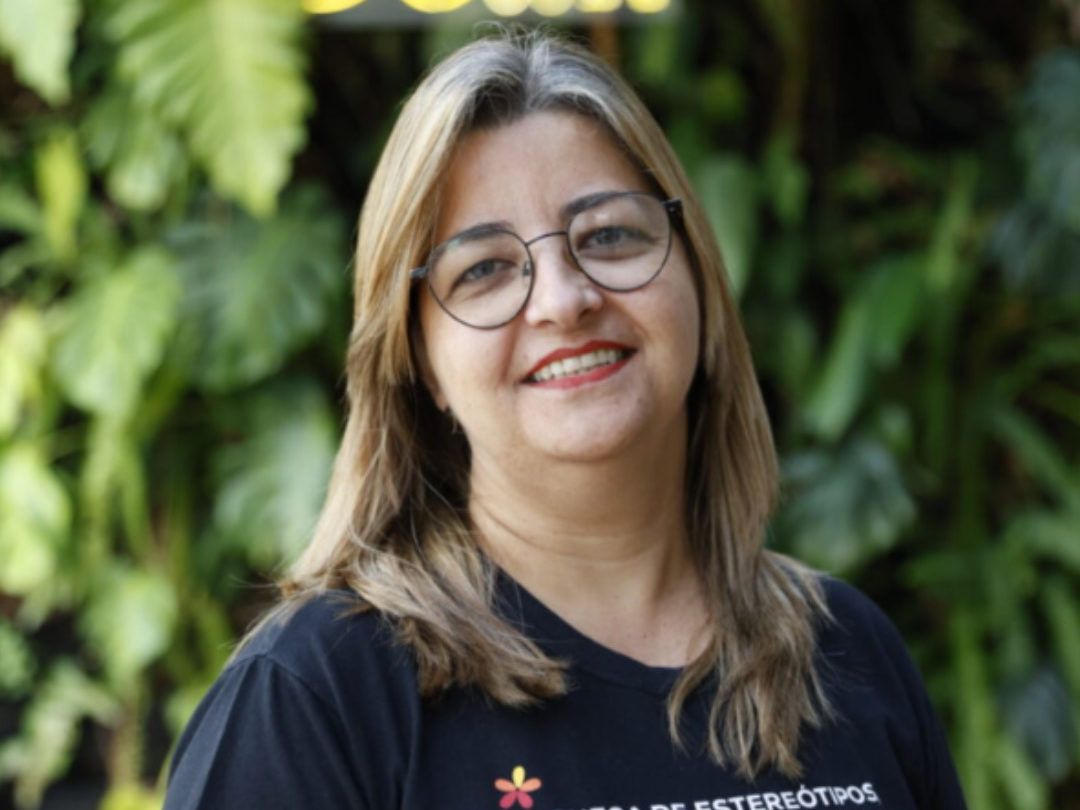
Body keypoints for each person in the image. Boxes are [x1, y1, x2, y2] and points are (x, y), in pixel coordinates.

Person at [164, 29, 968, 810]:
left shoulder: (847, 652)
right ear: (418, 363)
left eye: (609, 234)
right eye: (483, 270)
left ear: (697, 276)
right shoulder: (322, 696)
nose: (564, 300)